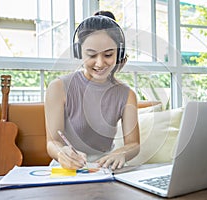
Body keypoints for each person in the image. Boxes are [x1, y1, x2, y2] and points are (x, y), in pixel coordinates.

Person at [44, 15, 140, 171]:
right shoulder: (58, 88)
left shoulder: (127, 94)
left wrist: (121, 153)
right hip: (68, 168)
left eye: (108, 55)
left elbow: (133, 143)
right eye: (91, 55)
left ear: (119, 53)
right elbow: (52, 142)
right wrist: (62, 152)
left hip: (105, 169)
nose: (100, 63)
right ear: (78, 52)